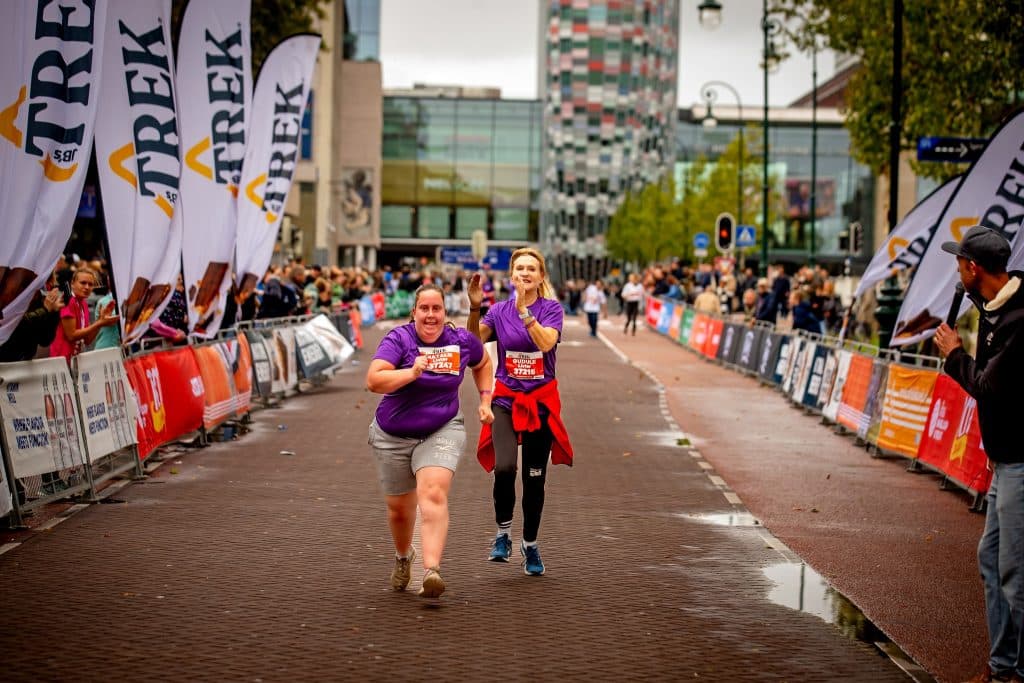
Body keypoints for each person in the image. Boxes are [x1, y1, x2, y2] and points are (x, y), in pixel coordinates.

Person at [933, 226, 1024, 683]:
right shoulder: (997, 307)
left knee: (1015, 569)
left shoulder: (1019, 320)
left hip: (1020, 461)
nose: (956, 271)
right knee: (992, 559)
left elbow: (988, 386)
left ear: (974, 267)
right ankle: (1003, 663)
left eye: (959, 263)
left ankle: (1018, 670)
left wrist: (954, 355)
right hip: (1005, 458)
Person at [365, 283, 494, 599]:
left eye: (437, 308)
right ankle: (403, 556)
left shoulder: (461, 341)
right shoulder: (400, 339)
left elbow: (483, 363)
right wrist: (411, 372)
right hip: (392, 434)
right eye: (425, 308)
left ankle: (432, 570)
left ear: (445, 312)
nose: (431, 315)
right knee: (399, 510)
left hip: (442, 428)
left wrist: (486, 399)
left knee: (433, 493)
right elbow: (374, 380)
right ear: (414, 312)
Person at [467, 247, 574, 576]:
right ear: (512, 276)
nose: (525, 273)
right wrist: (474, 307)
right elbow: (472, 344)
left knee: (534, 479)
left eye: (532, 269)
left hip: (540, 401)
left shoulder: (551, 309)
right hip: (506, 399)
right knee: (505, 467)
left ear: (540, 277)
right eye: (520, 269)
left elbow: (545, 343)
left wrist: (525, 313)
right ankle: (502, 534)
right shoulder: (498, 311)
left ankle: (529, 544)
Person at [49, 267, 119, 364]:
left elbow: (87, 340)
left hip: (76, 361)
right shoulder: (68, 300)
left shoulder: (83, 304)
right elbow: (71, 335)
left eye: (90, 284)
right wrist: (99, 323)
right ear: (72, 284)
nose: (87, 287)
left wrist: (101, 321)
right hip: (62, 361)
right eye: (83, 283)